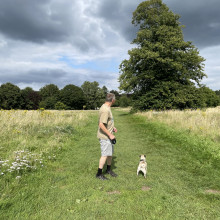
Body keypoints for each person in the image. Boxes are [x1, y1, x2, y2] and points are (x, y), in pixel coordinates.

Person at [96, 93, 118, 180]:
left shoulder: (107, 107)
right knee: (105, 154)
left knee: (110, 154)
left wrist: (112, 128)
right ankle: (99, 174)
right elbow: (101, 124)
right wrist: (110, 134)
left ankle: (108, 170)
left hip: (108, 136)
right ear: (112, 100)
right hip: (105, 137)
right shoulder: (105, 109)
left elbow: (107, 122)